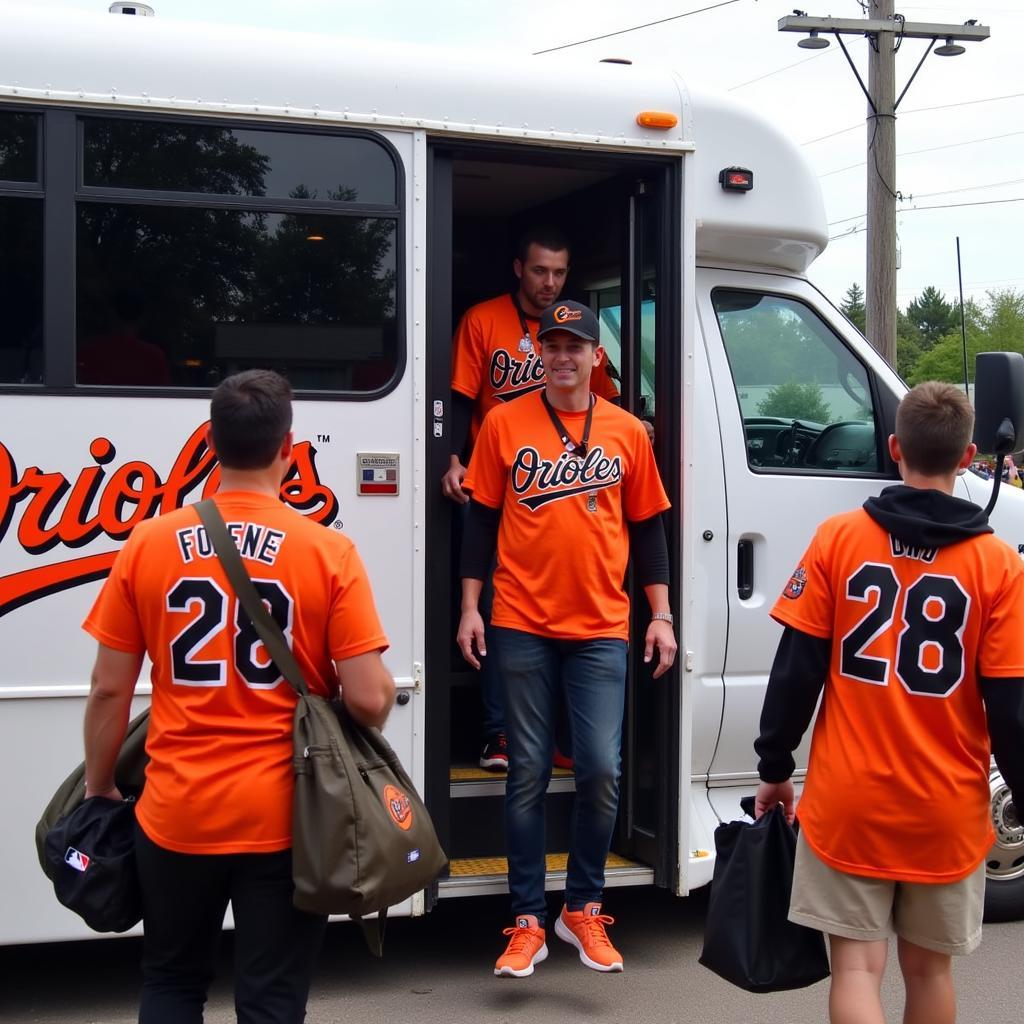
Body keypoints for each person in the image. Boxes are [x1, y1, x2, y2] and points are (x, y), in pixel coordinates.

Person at [81, 369, 396, 1024]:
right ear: (288, 446)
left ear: (213, 444)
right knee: (270, 1001)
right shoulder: (328, 550)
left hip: (174, 813)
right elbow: (370, 699)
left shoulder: (148, 544)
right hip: (285, 822)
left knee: (170, 980)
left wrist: (100, 785)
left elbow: (109, 686)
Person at [753, 381, 1024, 1024]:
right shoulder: (997, 565)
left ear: (895, 448)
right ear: (969, 457)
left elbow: (795, 673)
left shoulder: (838, 539)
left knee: (855, 969)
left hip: (850, 802)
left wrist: (773, 769)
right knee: (930, 972)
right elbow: (1012, 708)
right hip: (946, 809)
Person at [457, 298, 676, 977]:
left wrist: (661, 614)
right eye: (550, 346)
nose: (560, 356)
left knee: (602, 771)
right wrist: (470, 608)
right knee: (525, 773)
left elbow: (647, 528)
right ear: (539, 355)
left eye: (573, 346)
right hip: (519, 620)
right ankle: (527, 920)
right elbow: (479, 524)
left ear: (595, 356)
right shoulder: (502, 422)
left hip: (602, 626)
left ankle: (582, 906)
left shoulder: (626, 431)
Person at [442, 226, 619, 771]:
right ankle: (500, 734)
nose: (549, 282)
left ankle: (564, 736)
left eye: (559, 272)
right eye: (540, 270)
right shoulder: (484, 319)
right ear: (519, 268)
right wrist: (451, 457)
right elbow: (457, 397)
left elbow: (608, 400)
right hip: (502, 477)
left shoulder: (579, 332)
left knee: (567, 612)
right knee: (502, 610)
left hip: (561, 480)